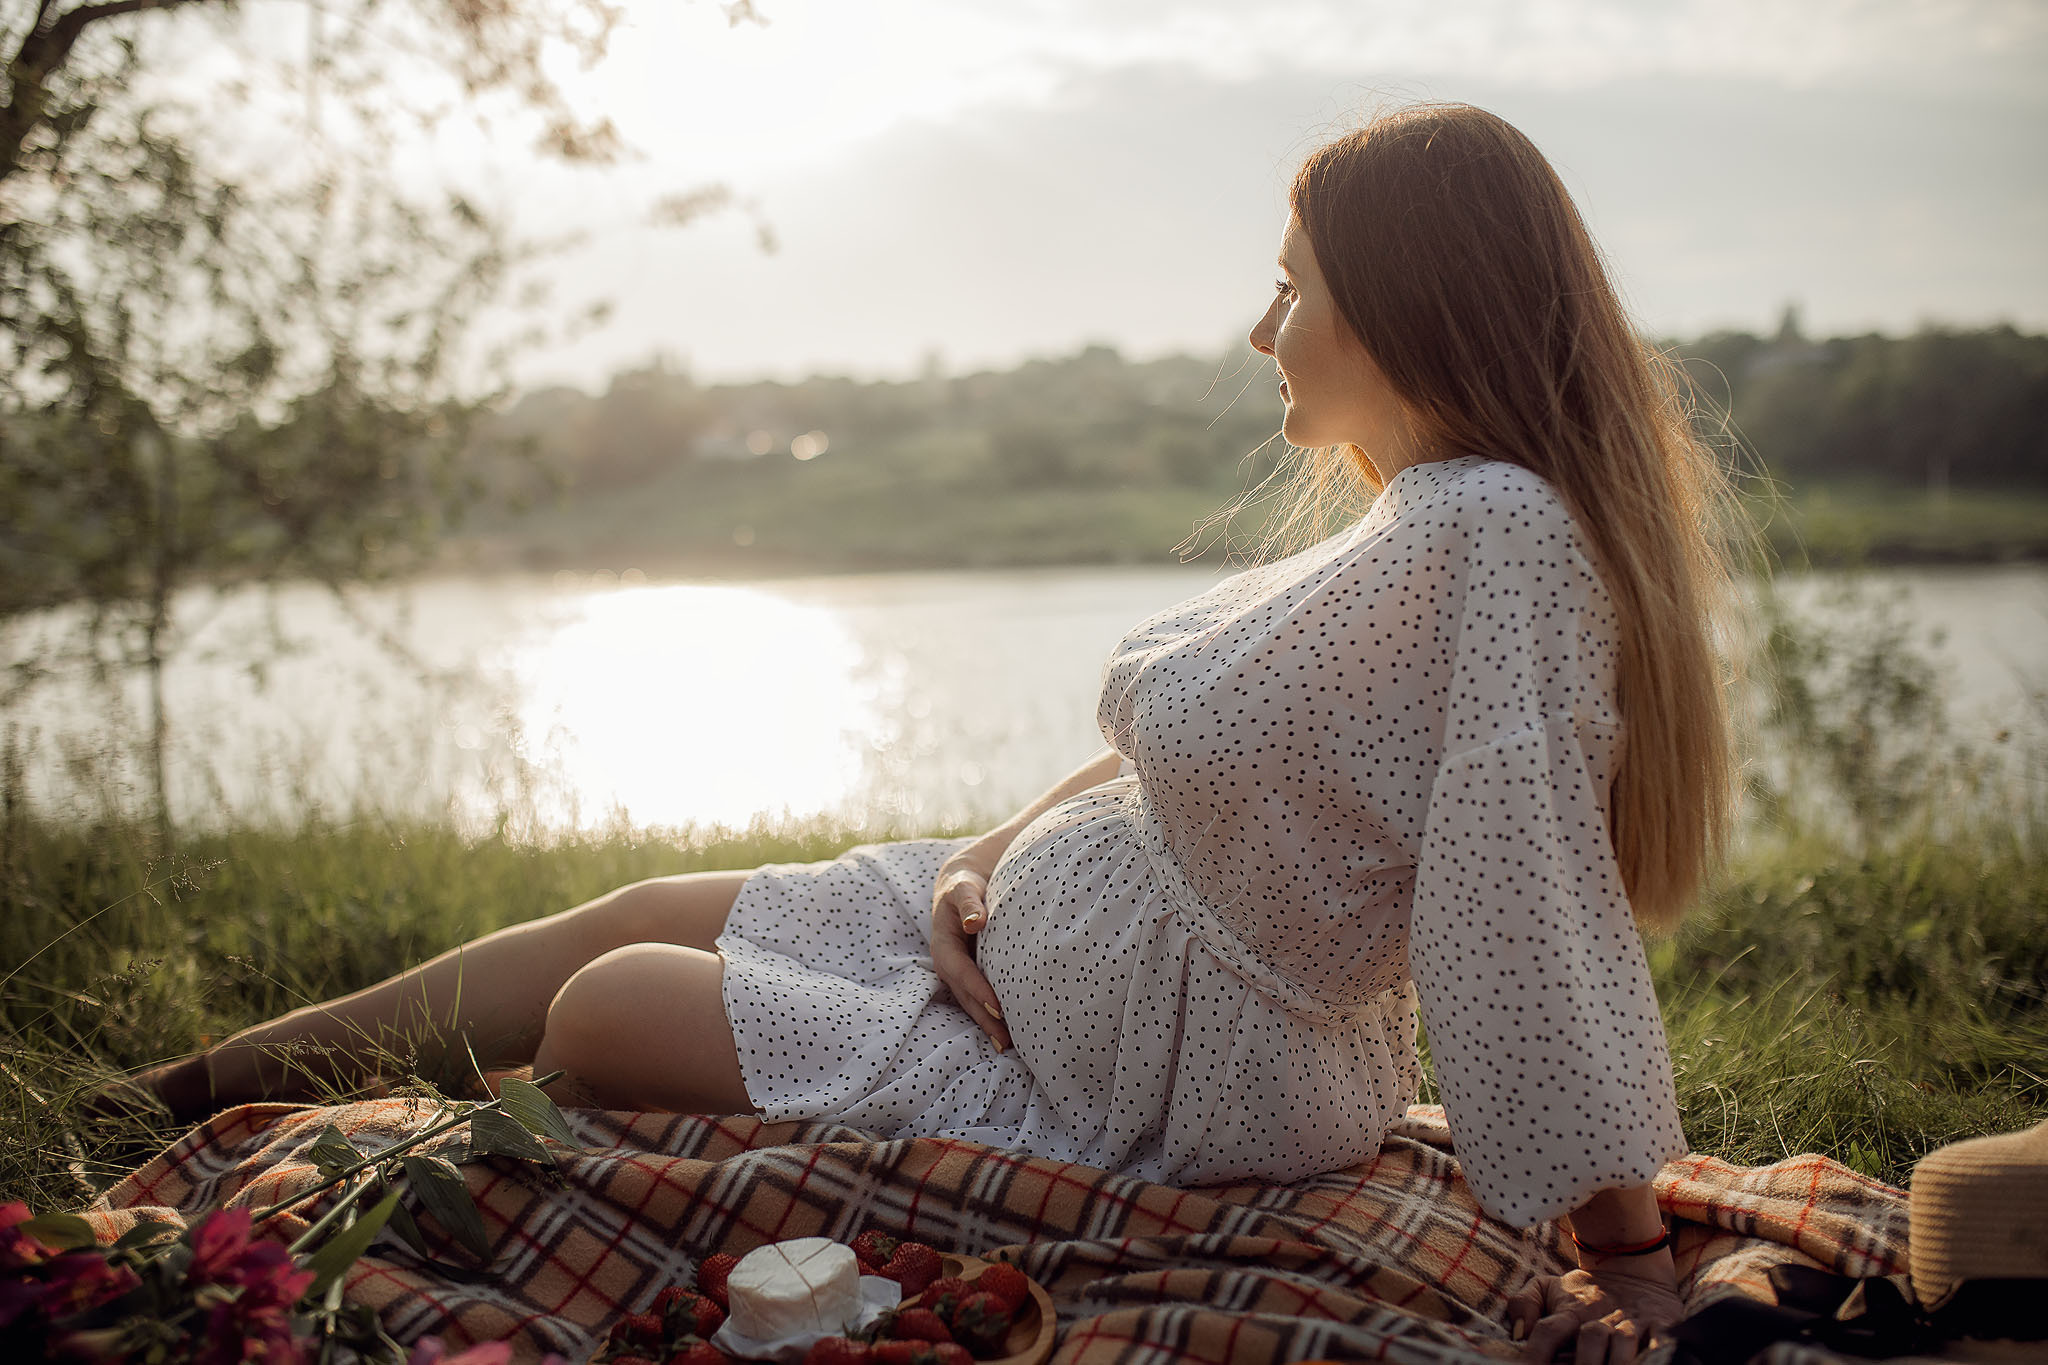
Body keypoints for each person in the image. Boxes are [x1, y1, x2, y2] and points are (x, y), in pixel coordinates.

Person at [108, 102, 1739, 1364]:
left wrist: (1630, 1253)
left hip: (1149, 1076)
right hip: (1017, 939)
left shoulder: (1493, 534)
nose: (1263, 331)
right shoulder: (1423, 525)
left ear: (1405, 301)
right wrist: (998, 847)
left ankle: (178, 1091)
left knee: (604, 1008)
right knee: (623, 918)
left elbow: (1521, 897)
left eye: (1292, 287)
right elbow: (1193, 758)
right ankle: (162, 1092)